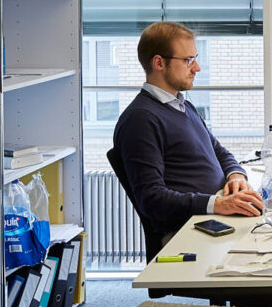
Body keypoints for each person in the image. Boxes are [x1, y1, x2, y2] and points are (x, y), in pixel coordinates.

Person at [113, 21, 263, 238]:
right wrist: (218, 204)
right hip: (191, 229)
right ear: (159, 62)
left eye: (195, 59)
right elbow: (153, 199)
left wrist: (236, 176)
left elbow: (219, 152)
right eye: (188, 60)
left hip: (216, 214)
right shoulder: (140, 120)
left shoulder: (182, 106)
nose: (197, 68)